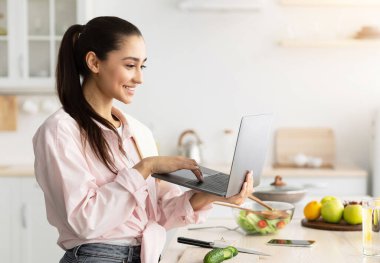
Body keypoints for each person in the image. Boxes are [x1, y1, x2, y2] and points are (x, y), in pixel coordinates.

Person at [33, 16, 253, 263]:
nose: (139, 78)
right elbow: (85, 221)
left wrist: (215, 194)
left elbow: (157, 215)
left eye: (142, 66)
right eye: (130, 65)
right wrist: (145, 167)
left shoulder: (138, 131)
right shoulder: (60, 130)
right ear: (94, 62)